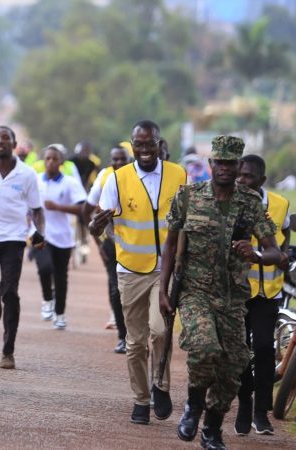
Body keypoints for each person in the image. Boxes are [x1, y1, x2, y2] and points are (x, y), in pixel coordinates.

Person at [160, 136, 280, 448]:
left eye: (231, 163)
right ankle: (193, 405)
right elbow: (171, 245)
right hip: (195, 292)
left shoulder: (250, 203)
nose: (224, 168)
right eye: (219, 162)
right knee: (204, 348)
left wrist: (255, 254)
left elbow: (274, 251)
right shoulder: (189, 196)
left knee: (233, 367)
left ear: (239, 165)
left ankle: (212, 427)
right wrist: (163, 289)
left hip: (233, 299)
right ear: (211, 164)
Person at [89, 120, 186, 425]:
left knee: (160, 332)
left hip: (165, 269)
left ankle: (161, 386)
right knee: (135, 342)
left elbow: (185, 222)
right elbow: (98, 220)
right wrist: (97, 226)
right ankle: (141, 399)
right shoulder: (117, 179)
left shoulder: (178, 174)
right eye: (139, 144)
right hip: (130, 270)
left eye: (150, 144)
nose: (144, 150)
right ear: (133, 146)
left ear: (160, 145)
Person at [0, 125, 45, 370]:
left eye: (5, 138)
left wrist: (40, 232)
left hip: (14, 240)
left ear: (14, 143)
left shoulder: (27, 174)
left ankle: (8, 351)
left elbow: (37, 209)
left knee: (11, 294)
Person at [234, 154, 289, 436]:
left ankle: (261, 412)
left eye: (249, 177)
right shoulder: (228, 202)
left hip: (267, 291)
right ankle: (245, 403)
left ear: (262, 181)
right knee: (240, 352)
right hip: (237, 291)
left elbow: (284, 245)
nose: (243, 181)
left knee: (266, 348)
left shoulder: (279, 205)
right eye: (239, 175)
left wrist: (284, 255)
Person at [82, 144, 130, 353]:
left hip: (138, 244)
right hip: (112, 244)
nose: (118, 163)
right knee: (115, 289)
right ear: (110, 161)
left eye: (123, 159)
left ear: (130, 161)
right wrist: (99, 244)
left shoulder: (137, 177)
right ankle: (122, 336)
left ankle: (138, 335)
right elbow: (86, 210)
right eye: (115, 159)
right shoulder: (104, 177)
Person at [34, 144, 87, 330]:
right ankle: (47, 299)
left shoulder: (70, 183)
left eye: (54, 159)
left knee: (60, 276)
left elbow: (82, 208)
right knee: (44, 268)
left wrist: (58, 207)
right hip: (41, 234)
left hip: (63, 236)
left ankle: (60, 314)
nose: (50, 162)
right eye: (47, 158)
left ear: (61, 162)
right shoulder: (36, 182)